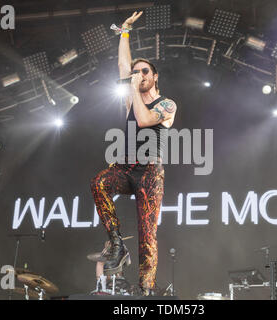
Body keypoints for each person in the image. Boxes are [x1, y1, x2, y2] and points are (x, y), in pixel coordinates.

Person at [90, 11, 177, 296]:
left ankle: (145, 290)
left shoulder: (167, 105)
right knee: (99, 182)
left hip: (151, 173)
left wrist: (134, 90)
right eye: (136, 72)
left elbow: (142, 120)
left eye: (144, 72)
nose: (138, 75)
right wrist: (125, 32)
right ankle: (116, 243)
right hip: (127, 166)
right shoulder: (131, 95)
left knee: (147, 233)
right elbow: (122, 64)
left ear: (154, 77)